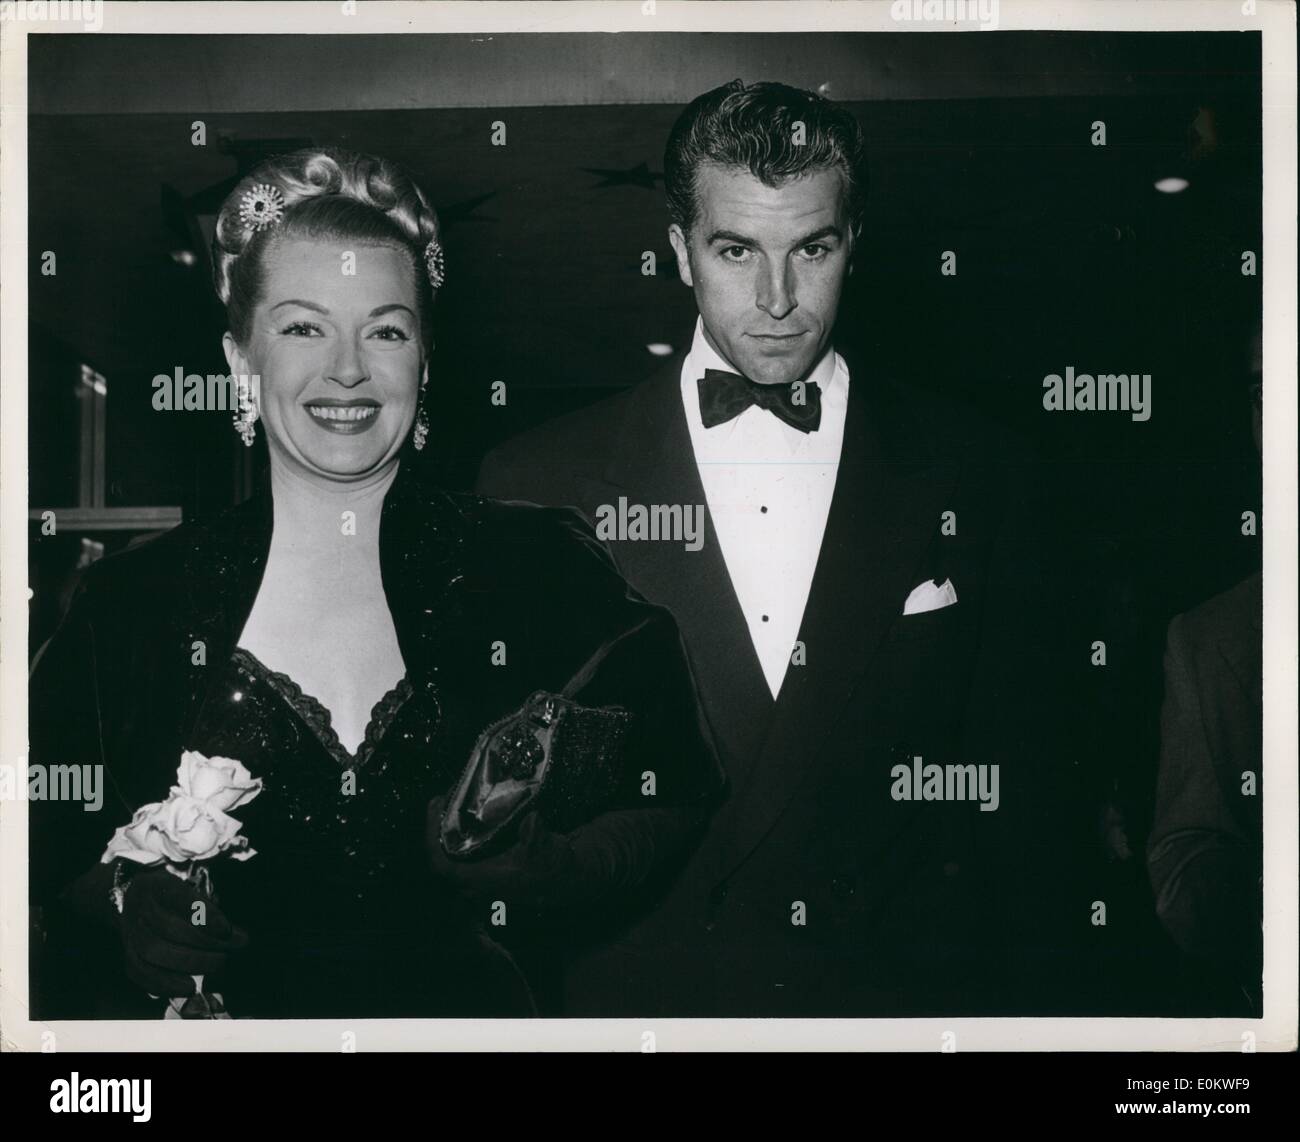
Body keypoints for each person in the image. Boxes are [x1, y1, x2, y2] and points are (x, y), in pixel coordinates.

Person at [28, 147, 720, 1020]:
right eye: (303, 327)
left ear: (425, 363)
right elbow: (39, 844)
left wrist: (558, 872)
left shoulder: (533, 563)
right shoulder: (132, 605)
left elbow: (675, 787)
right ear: (240, 359)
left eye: (386, 330)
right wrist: (129, 901)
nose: (348, 369)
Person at [476, 80, 1063, 1016]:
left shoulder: (980, 471)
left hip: (892, 1009)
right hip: (640, 1008)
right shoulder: (536, 482)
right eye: (736, 249)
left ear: (852, 247)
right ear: (678, 253)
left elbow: (1025, 801)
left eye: (812, 249)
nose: (779, 299)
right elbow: (512, 811)